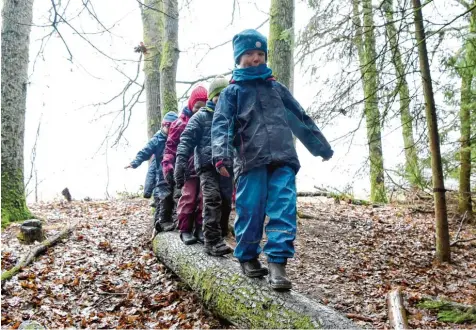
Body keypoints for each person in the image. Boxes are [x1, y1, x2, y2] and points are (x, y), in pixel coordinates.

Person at [211, 29, 334, 290]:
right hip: (250, 160)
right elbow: (220, 125)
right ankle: (247, 256)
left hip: (283, 159)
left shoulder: (277, 88)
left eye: (260, 54)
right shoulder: (232, 93)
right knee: (251, 208)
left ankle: (278, 263)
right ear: (238, 59)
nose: (255, 58)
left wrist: (320, 146)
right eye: (249, 54)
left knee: (284, 208)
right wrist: (221, 156)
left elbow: (299, 117)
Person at [175, 76, 233, 255]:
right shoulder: (200, 117)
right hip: (207, 167)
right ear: (212, 97)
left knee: (226, 201)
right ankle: (212, 241)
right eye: (218, 96)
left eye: (226, 95)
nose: (222, 99)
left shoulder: (232, 116)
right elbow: (185, 141)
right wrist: (180, 164)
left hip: (227, 167)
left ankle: (221, 233)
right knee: (212, 200)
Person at [162, 86, 208, 245]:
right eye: (197, 107)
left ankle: (201, 229)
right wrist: (168, 164)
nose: (199, 111)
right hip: (187, 170)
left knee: (204, 200)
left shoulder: (207, 120)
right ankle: (185, 229)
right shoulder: (179, 123)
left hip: (203, 168)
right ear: (190, 105)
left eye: (203, 107)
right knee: (187, 198)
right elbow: (170, 147)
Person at [125, 111, 178, 233]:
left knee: (172, 197)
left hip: (175, 172)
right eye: (167, 126)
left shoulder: (177, 138)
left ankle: (170, 220)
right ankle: (161, 222)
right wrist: (135, 162)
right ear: (163, 126)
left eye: (172, 127)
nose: (169, 129)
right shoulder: (157, 139)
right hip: (161, 173)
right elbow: (145, 151)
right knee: (163, 197)